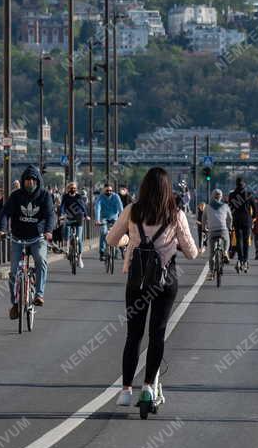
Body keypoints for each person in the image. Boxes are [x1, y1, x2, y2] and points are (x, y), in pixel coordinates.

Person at [110, 167, 199, 407]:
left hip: (137, 280)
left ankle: (126, 390)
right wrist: (174, 245)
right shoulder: (175, 214)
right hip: (165, 279)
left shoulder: (133, 210)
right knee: (157, 334)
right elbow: (192, 252)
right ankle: (148, 387)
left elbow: (111, 239)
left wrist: (130, 239)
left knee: (133, 335)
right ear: (167, 189)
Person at [0, 165, 56, 318]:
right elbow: (5, 213)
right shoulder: (16, 196)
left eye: (33, 180)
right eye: (27, 180)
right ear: (23, 181)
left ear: (38, 181)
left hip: (38, 237)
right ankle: (15, 303)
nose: (30, 182)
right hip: (18, 237)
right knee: (13, 272)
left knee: (40, 259)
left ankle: (39, 293)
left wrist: (49, 231)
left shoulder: (45, 196)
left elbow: (50, 215)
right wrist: (2, 229)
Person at [59, 182, 89, 267]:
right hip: (68, 217)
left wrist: (86, 215)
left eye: (74, 188)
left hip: (78, 217)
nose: (73, 189)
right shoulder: (65, 196)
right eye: (71, 188)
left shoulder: (79, 196)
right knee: (67, 232)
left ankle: (79, 258)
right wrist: (62, 214)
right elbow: (62, 206)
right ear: (68, 189)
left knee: (79, 239)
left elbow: (83, 206)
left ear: (76, 189)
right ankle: (67, 249)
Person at [228, 177, 255, 272]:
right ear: (244, 185)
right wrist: (253, 219)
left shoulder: (231, 195)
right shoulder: (249, 195)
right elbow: (255, 209)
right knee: (246, 240)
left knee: (239, 240)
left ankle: (240, 259)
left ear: (236, 184)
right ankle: (246, 260)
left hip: (236, 220)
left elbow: (230, 208)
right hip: (247, 220)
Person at [94, 183, 124, 262]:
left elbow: (120, 207)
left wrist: (122, 217)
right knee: (103, 232)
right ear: (103, 190)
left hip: (114, 217)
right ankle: (102, 252)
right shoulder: (100, 197)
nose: (109, 192)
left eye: (111, 190)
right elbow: (98, 208)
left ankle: (118, 249)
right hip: (104, 218)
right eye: (107, 190)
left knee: (117, 233)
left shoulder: (116, 196)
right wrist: (97, 220)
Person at [203, 189, 233, 265]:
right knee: (226, 240)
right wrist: (229, 227)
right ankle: (225, 252)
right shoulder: (225, 206)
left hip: (212, 231)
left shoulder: (207, 207)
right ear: (221, 197)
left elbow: (203, 219)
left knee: (211, 252)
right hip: (223, 229)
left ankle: (212, 268)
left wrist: (204, 228)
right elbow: (230, 218)